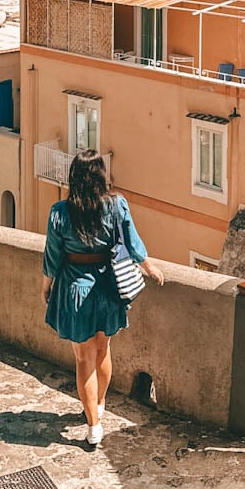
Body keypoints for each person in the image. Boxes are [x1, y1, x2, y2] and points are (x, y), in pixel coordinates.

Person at [42, 151, 163, 447]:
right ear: (101, 178)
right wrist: (151, 269)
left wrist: (46, 286)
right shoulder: (116, 205)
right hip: (108, 288)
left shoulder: (60, 212)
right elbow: (133, 245)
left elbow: (52, 256)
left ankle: (93, 425)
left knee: (83, 358)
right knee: (103, 349)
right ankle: (98, 404)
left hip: (74, 288)